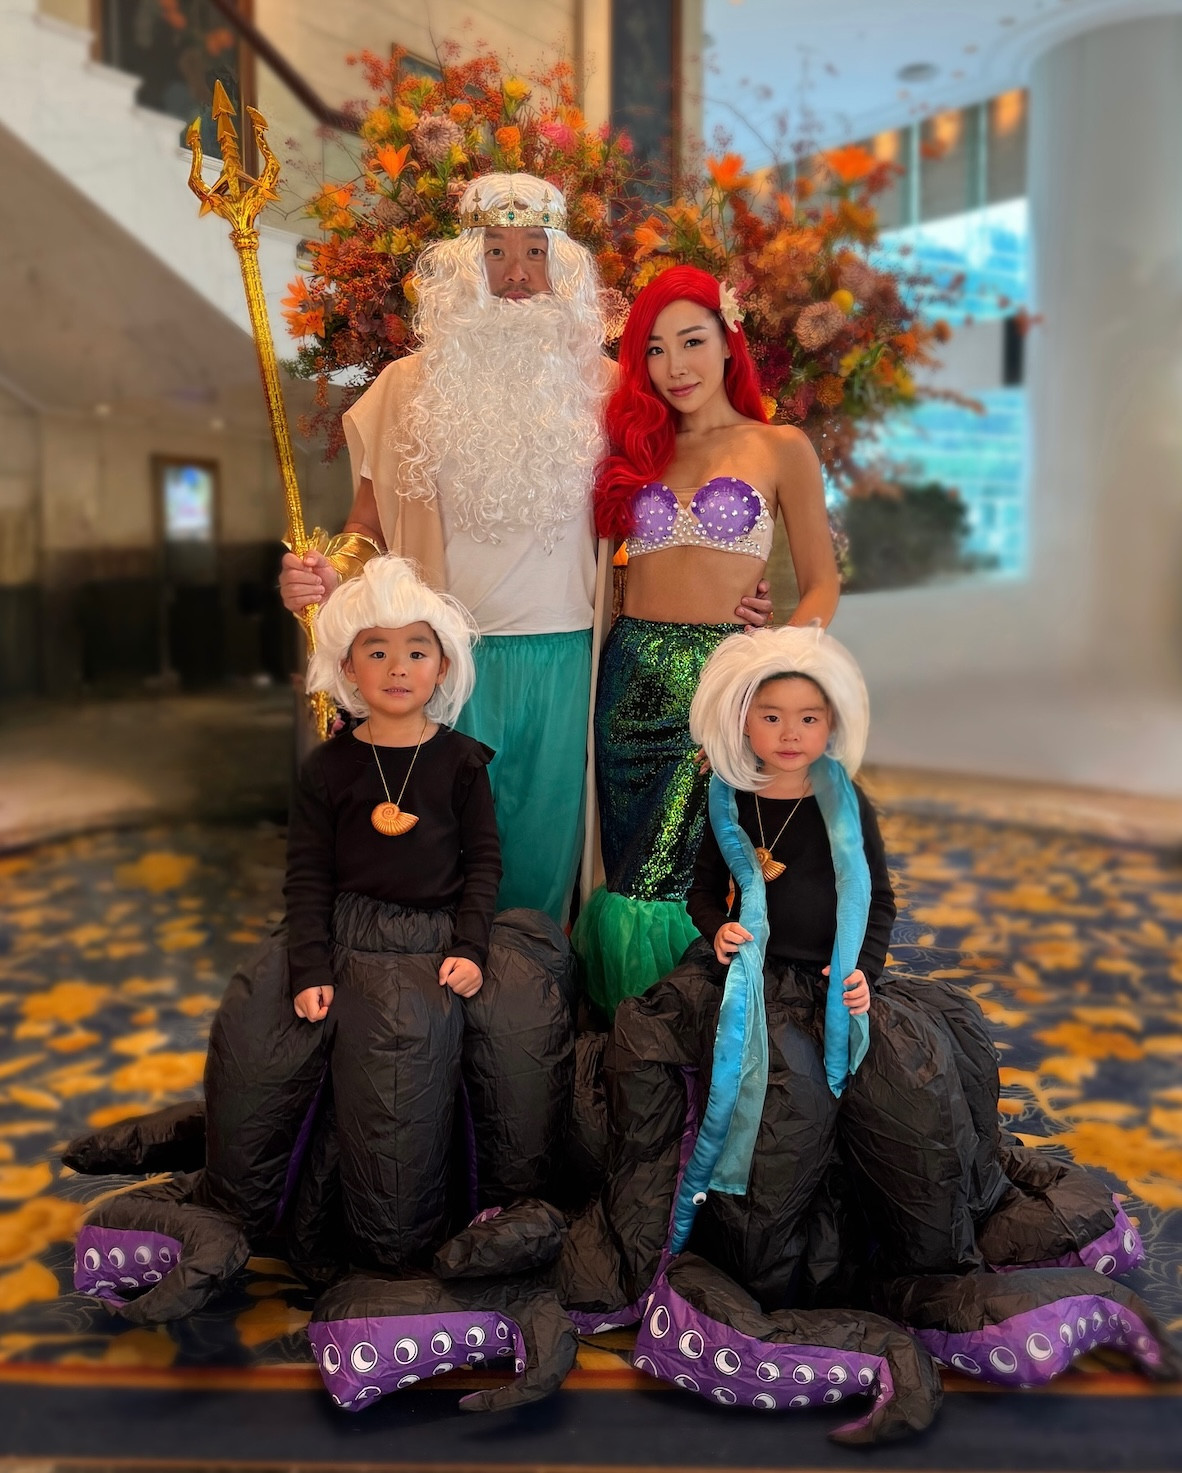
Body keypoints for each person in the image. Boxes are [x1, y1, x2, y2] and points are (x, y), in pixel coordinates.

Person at [556, 625, 1173, 1437]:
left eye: (808, 718)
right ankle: (751, 1244)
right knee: (770, 1106)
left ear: (832, 724)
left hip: (830, 984)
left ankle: (906, 1243)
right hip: (750, 985)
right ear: (742, 722)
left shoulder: (844, 804)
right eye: (771, 717)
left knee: (902, 1095)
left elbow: (877, 901)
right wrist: (718, 931)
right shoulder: (728, 801)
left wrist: (865, 973)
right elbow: (704, 889)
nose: (789, 733)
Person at [279, 176, 770, 927]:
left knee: (545, 855)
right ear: (464, 266)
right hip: (445, 659)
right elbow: (365, 532)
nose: (516, 275)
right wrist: (324, 573)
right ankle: (443, 988)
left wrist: (733, 587)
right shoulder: (405, 388)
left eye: (535, 253)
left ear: (560, 265)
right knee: (442, 850)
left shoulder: (611, 389)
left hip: (568, 657)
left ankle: (534, 989)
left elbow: (685, 495)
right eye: (496, 252)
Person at [573, 266, 840, 1013]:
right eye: (655, 350)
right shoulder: (635, 448)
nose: (675, 366)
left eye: (691, 341)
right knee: (628, 871)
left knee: (694, 872)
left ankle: (696, 1031)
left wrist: (774, 660)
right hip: (628, 679)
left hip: (720, 682)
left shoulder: (780, 446)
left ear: (728, 342)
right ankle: (632, 1034)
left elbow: (823, 583)